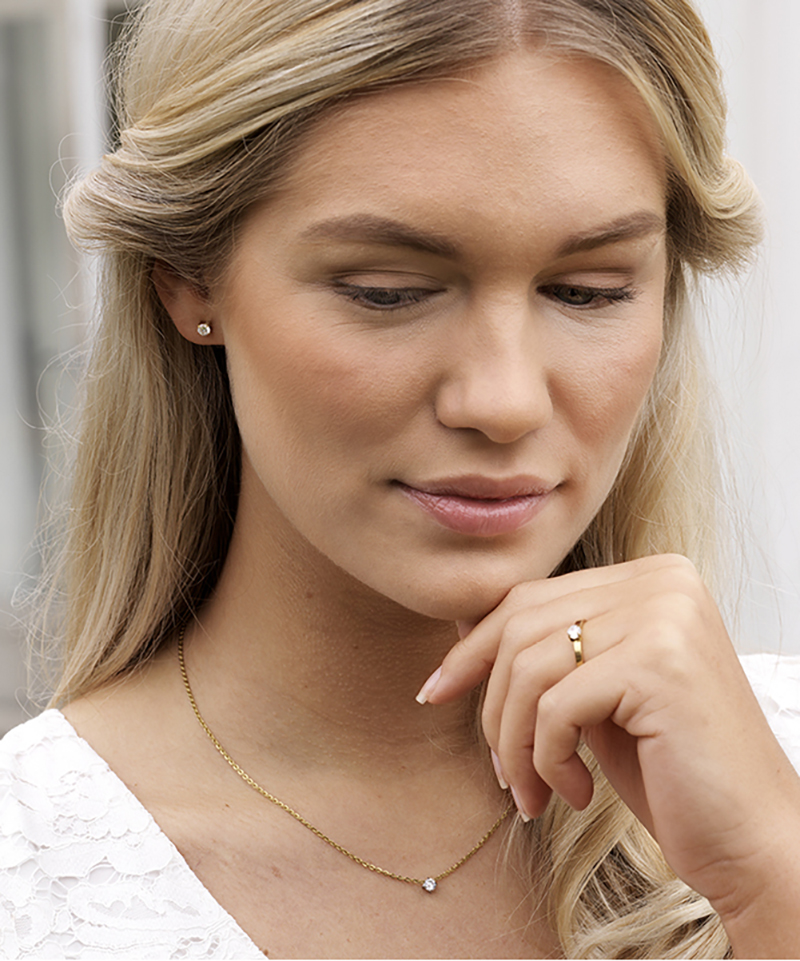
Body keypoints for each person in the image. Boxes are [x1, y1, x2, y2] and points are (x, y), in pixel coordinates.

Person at [2, 0, 800, 956]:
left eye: (587, 291)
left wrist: (776, 879)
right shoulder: (31, 879)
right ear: (187, 278)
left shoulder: (775, 777)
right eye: (389, 291)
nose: (503, 400)